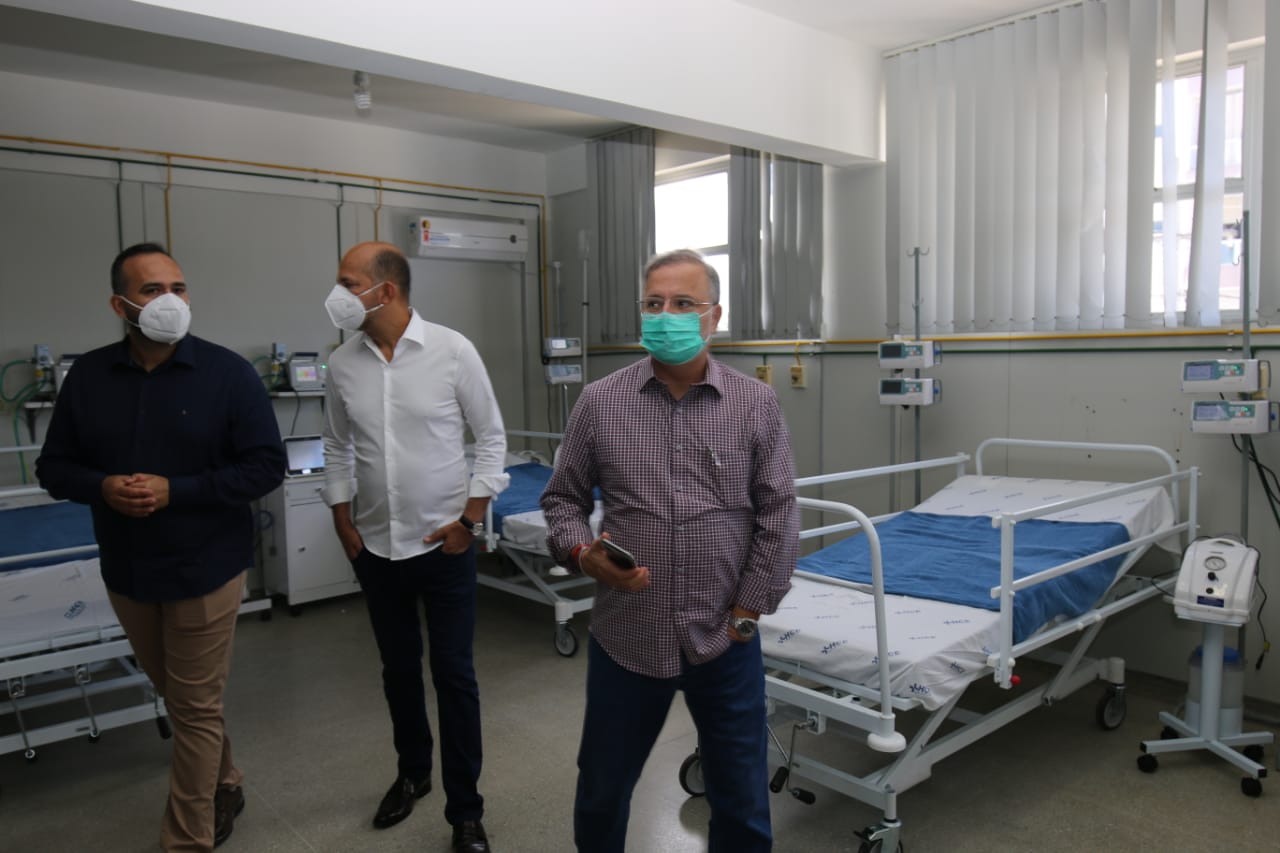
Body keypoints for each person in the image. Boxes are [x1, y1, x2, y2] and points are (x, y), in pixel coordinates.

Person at [541, 248, 799, 852]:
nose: (666, 316)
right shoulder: (601, 402)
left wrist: (747, 612)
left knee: (742, 801)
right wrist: (581, 553)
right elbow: (562, 500)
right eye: (654, 304)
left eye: (684, 303)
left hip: (724, 638)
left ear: (714, 316)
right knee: (602, 791)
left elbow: (778, 512)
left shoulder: (754, 403)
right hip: (627, 636)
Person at [37, 242, 286, 852]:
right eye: (151, 290)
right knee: (178, 695)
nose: (169, 300)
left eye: (178, 287)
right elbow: (53, 468)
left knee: (194, 707)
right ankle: (226, 779)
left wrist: (179, 490)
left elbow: (265, 466)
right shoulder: (89, 377)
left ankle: (186, 840)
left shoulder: (228, 374)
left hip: (207, 567)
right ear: (119, 304)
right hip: (128, 570)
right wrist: (102, 486)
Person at [321, 241, 507, 853]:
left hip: (444, 547)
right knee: (398, 670)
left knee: (454, 676)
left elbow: (492, 437)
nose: (338, 294)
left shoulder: (452, 351)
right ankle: (413, 773)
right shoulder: (342, 364)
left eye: (349, 283)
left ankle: (466, 812)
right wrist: (342, 519)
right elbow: (337, 445)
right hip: (376, 548)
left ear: (387, 291)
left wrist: (470, 520)